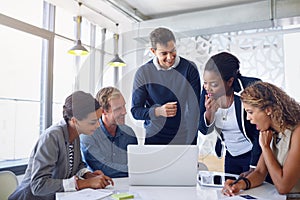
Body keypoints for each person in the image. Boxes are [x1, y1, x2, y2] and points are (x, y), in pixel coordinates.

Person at [9, 91, 113, 200]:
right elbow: (38, 185)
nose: (98, 125)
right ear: (74, 121)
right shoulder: (51, 137)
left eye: (98, 120)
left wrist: (87, 175)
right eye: (93, 122)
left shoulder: (75, 133)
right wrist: (83, 183)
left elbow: (77, 165)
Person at [223, 81, 300, 196]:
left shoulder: (297, 132)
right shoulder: (271, 133)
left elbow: (283, 187)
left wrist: (265, 148)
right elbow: (259, 172)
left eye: (250, 112)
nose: (248, 118)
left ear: (268, 110)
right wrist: (238, 185)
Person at [131, 27, 201, 145]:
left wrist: (192, 144)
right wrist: (158, 111)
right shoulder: (143, 73)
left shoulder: (189, 68)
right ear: (153, 51)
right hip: (154, 138)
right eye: (164, 53)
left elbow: (195, 111)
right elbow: (135, 111)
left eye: (173, 51)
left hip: (183, 137)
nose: (170, 58)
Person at [198, 52, 262, 175]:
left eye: (214, 84)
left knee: (255, 192)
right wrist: (209, 113)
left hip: (254, 153)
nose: (208, 88)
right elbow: (203, 129)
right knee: (229, 191)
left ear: (230, 81)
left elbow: (260, 132)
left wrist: (254, 167)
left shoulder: (251, 89)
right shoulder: (207, 92)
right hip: (230, 155)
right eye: (205, 82)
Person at [80, 87, 137, 178]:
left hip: (128, 186)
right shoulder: (88, 134)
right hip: (99, 189)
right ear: (103, 111)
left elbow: (136, 162)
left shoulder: (129, 133)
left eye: (124, 106)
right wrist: (137, 170)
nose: (124, 112)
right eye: (118, 109)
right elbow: (103, 168)